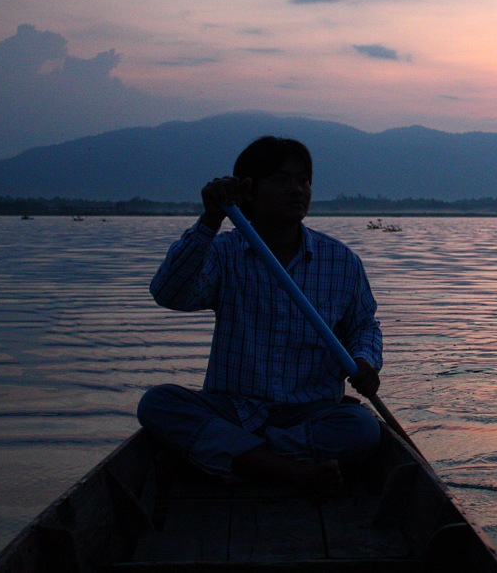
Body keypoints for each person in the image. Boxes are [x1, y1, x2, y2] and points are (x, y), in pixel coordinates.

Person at [137, 136, 383, 488]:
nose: (297, 189)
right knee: (157, 404)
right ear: (249, 192)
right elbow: (169, 294)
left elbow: (364, 327)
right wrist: (210, 220)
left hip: (310, 413)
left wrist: (365, 360)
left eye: (304, 180)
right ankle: (289, 471)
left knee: (361, 429)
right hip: (235, 408)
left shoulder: (340, 261)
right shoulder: (223, 252)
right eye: (282, 180)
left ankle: (241, 459)